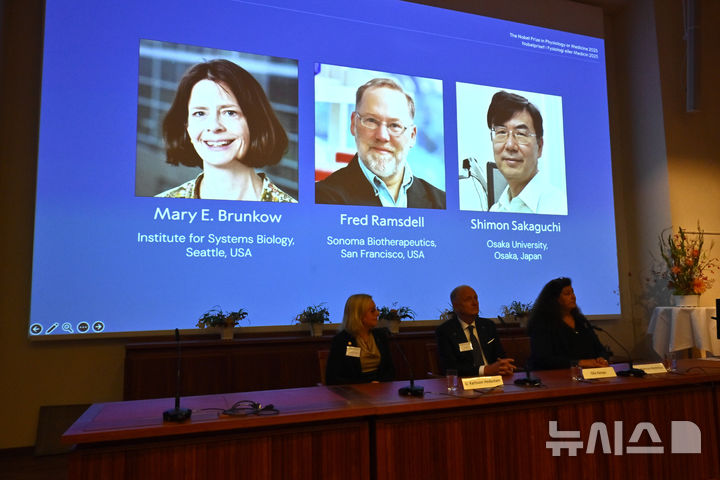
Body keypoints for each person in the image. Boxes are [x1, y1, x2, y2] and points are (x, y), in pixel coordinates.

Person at [156, 59, 296, 202]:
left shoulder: (289, 211)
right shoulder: (162, 205)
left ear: (254, 122)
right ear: (187, 126)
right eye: (200, 113)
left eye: (229, 112)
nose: (214, 126)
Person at [315, 78, 445, 209]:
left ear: (412, 136)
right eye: (371, 120)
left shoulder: (442, 203)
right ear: (354, 124)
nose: (382, 136)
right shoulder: (321, 198)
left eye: (395, 125)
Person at [486, 91, 565, 214]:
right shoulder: (495, 211)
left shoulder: (560, 207)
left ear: (539, 147)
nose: (510, 145)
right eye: (501, 132)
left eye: (521, 134)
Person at [527, 277, 610, 370]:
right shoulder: (542, 323)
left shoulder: (580, 320)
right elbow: (543, 359)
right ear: (554, 299)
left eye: (573, 292)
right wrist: (578, 363)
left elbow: (600, 349)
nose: (573, 297)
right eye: (567, 294)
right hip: (556, 375)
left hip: (588, 373)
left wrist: (601, 359)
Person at [436, 285, 515, 377]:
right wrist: (484, 370)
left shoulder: (488, 326)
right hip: (466, 381)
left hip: (494, 378)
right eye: (468, 299)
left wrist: (504, 366)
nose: (474, 303)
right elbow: (450, 368)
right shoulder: (446, 331)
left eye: (475, 298)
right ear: (455, 305)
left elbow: (500, 356)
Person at [325, 294, 396, 385]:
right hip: (354, 390)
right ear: (358, 315)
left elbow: (390, 370)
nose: (378, 313)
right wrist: (367, 385)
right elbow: (333, 378)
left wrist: (379, 383)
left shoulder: (380, 336)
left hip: (380, 388)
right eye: (372, 311)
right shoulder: (342, 340)